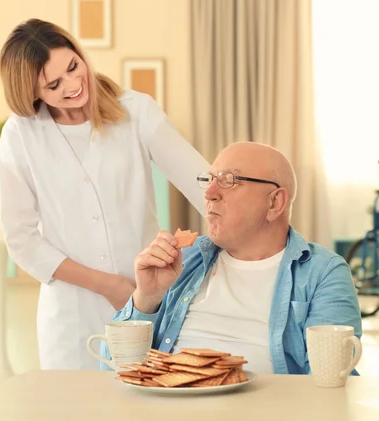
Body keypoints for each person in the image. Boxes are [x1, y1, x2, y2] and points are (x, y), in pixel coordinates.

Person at [0, 18, 209, 370]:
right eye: (54, 84)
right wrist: (106, 285)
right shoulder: (21, 135)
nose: (74, 84)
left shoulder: (136, 110)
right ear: (32, 92)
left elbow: (202, 182)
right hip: (71, 314)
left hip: (148, 301)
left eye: (74, 66)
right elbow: (21, 239)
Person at [100, 142, 362, 374]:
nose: (209, 193)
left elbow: (333, 382)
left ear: (274, 203)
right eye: (209, 179)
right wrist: (146, 298)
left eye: (229, 180)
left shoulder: (323, 273)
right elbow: (110, 366)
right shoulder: (183, 261)